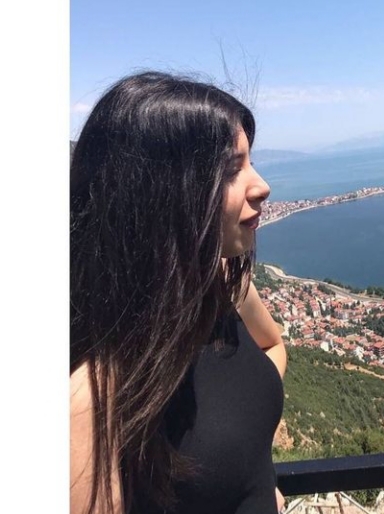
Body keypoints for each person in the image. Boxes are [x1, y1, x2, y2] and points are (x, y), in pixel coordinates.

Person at [70, 71, 287, 514]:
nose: (262, 185)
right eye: (231, 169)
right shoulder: (88, 401)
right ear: (160, 193)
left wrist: (252, 477)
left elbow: (273, 345)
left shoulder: (221, 284)